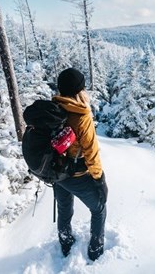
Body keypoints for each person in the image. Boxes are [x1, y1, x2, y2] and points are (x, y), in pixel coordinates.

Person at [52, 67, 108, 261]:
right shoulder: (81, 115)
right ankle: (95, 249)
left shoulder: (53, 108)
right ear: (79, 91)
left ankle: (65, 243)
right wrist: (100, 180)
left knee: (64, 209)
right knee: (99, 208)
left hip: (57, 174)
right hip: (77, 176)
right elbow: (91, 153)